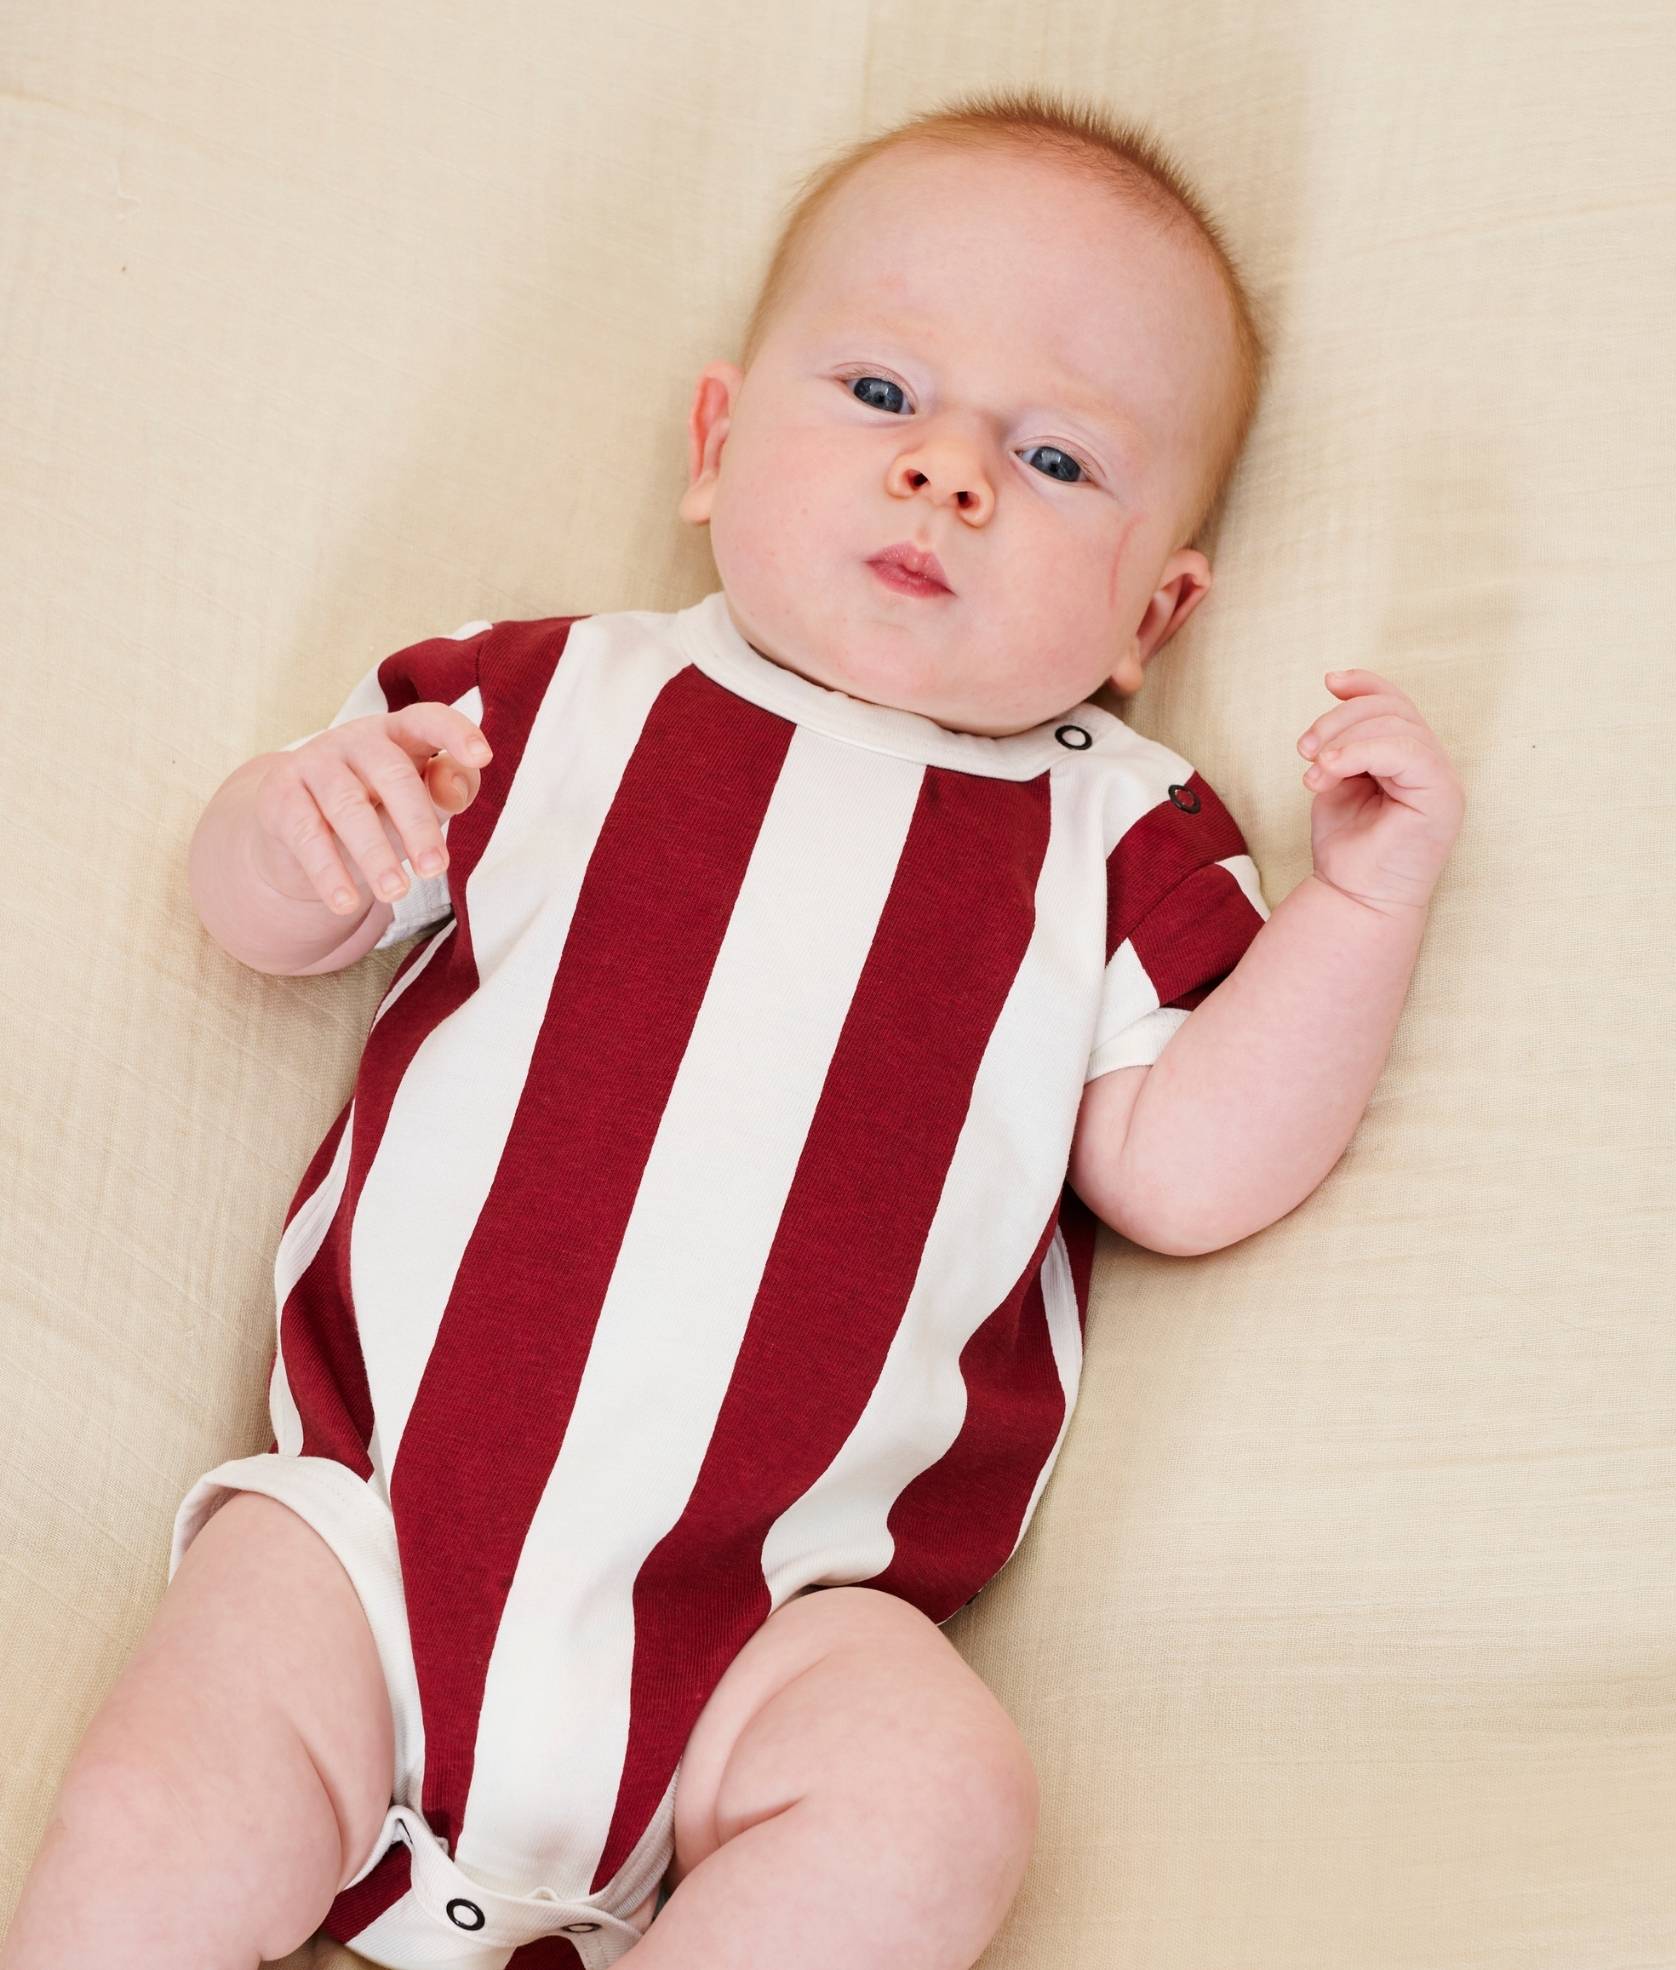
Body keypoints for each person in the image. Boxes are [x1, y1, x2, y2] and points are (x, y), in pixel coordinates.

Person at [0, 86, 1463, 1970]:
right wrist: (294, 831)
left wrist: (1359, 909)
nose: (948, 472)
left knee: (940, 1797)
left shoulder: (1122, 834)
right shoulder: (549, 697)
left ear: (1149, 613)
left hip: (772, 1638)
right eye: (878, 396)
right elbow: (267, 918)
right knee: (167, 1792)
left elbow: (1184, 1166)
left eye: (1056, 459)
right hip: (368, 1551)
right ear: (712, 443)